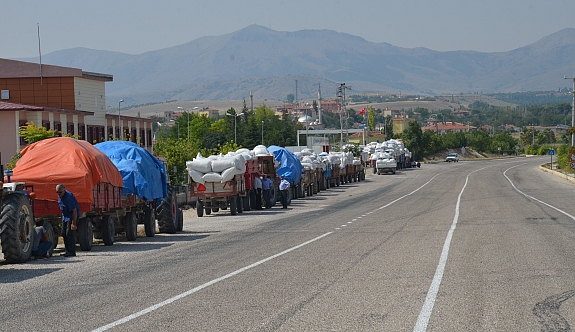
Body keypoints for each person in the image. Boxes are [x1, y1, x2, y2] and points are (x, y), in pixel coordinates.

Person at [56, 184, 80, 257]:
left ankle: (72, 252)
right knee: (63, 233)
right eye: (57, 192)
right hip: (65, 216)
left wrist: (74, 223)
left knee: (69, 234)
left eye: (60, 192)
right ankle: (67, 251)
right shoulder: (60, 197)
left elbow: (74, 211)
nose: (59, 194)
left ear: (64, 190)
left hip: (71, 216)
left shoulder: (68, 197)